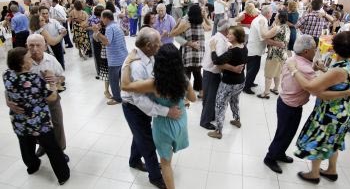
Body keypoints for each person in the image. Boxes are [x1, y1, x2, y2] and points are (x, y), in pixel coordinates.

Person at [263, 34, 350, 174]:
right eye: (314, 49)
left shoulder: (294, 60)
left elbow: (310, 75)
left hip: (288, 103)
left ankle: (279, 153)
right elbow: (314, 88)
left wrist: (316, 69)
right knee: (283, 133)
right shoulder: (305, 68)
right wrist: (345, 93)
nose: (316, 51)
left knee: (288, 133)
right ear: (306, 51)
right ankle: (270, 157)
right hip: (290, 107)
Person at [121, 44, 196, 189]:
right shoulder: (184, 80)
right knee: (169, 156)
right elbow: (193, 98)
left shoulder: (154, 84)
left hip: (163, 126)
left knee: (165, 163)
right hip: (180, 121)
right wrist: (183, 98)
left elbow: (125, 86)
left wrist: (127, 63)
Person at [287, 31, 350, 184]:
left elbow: (310, 87)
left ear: (334, 48)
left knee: (319, 140)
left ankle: (314, 174)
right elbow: (338, 82)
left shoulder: (338, 71)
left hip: (329, 114)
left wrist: (293, 69)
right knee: (333, 141)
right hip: (343, 111)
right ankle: (331, 170)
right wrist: (324, 71)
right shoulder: (345, 65)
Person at [3, 47, 70, 185]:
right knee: (52, 147)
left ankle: (32, 166)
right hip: (39, 122)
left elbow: (7, 91)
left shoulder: (7, 74)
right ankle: (63, 175)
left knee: (25, 145)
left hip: (19, 121)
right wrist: (52, 83)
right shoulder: (33, 79)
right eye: (28, 58)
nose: (31, 59)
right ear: (22, 63)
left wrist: (8, 101)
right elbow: (51, 98)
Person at [207, 26, 248, 139]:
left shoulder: (232, 52)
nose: (227, 35)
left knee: (220, 105)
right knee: (234, 101)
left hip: (228, 83)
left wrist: (213, 49)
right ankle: (237, 119)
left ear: (237, 37)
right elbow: (236, 59)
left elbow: (216, 61)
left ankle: (218, 131)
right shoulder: (243, 47)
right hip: (240, 81)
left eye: (231, 34)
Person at [243, 5, 283, 94]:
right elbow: (264, 37)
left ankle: (249, 82)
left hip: (255, 48)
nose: (272, 14)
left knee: (252, 68)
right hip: (254, 49)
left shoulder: (262, 19)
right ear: (268, 13)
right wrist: (278, 44)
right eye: (272, 12)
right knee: (253, 69)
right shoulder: (261, 21)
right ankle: (246, 87)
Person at [92, 10, 128, 105]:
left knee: (113, 80)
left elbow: (107, 42)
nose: (101, 20)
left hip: (115, 59)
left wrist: (97, 32)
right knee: (122, 78)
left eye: (102, 18)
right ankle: (123, 95)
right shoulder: (116, 25)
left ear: (106, 18)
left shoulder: (109, 28)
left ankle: (117, 98)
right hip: (122, 56)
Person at [257, 11, 290, 99]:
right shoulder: (286, 27)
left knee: (269, 74)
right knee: (278, 73)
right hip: (283, 54)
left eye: (276, 17)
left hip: (274, 54)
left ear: (280, 18)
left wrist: (261, 24)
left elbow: (264, 35)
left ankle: (266, 93)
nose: (274, 17)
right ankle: (275, 89)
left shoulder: (277, 28)